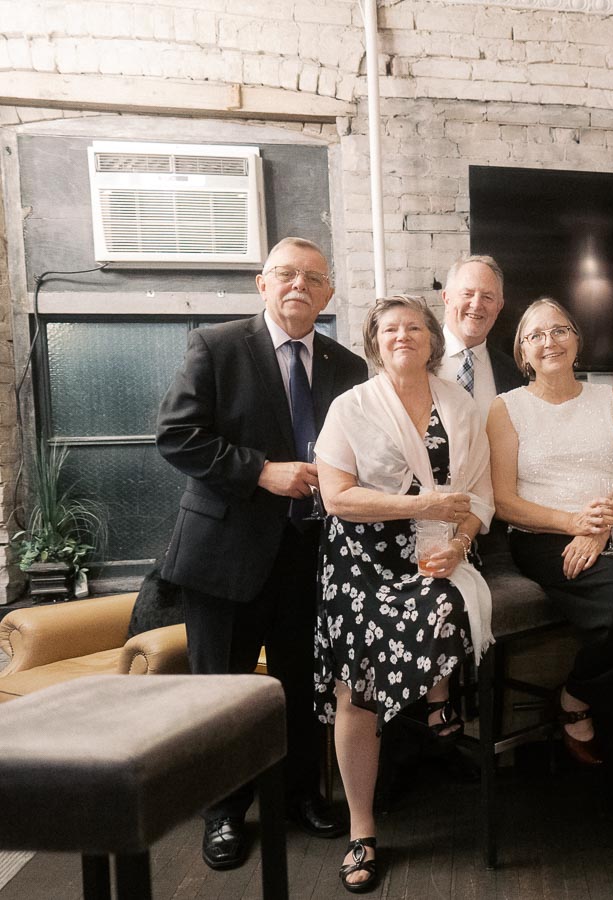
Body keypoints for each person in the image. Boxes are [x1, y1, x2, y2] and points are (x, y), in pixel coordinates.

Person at [157, 236, 367, 872]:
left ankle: (301, 792)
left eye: (313, 277)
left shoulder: (348, 365)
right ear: (262, 283)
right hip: (226, 554)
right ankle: (222, 814)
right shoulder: (216, 347)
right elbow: (177, 437)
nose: (299, 285)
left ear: (328, 292)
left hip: (313, 556)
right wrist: (262, 472)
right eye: (286, 275)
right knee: (220, 689)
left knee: (303, 686)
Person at [487, 299, 613, 869]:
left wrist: (600, 528)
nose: (549, 340)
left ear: (578, 340)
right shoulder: (506, 410)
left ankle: (581, 699)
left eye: (559, 330)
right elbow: (504, 499)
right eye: (535, 335)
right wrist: (572, 524)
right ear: (522, 352)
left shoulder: (610, 399)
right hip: (545, 536)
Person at [314, 294, 494, 892]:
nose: (403, 336)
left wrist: (461, 542)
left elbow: (479, 497)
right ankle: (361, 829)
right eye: (390, 328)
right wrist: (422, 505)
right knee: (355, 688)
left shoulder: (461, 405)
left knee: (448, 600)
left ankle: (436, 702)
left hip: (435, 552)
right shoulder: (351, 406)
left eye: (414, 327)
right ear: (374, 341)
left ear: (432, 340)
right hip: (361, 564)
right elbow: (337, 498)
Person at [438, 254, 527, 418]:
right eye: (467, 294)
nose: (477, 304)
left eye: (487, 297)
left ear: (499, 307)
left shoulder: (514, 374)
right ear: (447, 298)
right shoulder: (418, 358)